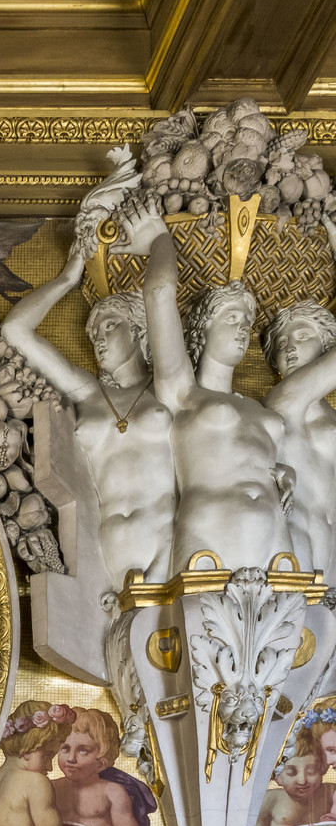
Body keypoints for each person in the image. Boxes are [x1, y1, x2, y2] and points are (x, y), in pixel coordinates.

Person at [123, 196, 297, 574]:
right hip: (209, 530)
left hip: (276, 535)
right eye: (231, 318)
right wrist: (159, 239)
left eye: (247, 322)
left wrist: (286, 471)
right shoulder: (183, 392)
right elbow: (159, 293)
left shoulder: (262, 406)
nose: (242, 329)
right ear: (202, 328)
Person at [0, 254, 175, 590]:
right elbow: (14, 331)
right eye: (94, 334)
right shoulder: (89, 394)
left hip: (165, 548)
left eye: (110, 326)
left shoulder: (169, 390)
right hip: (107, 552)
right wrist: (67, 279)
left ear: (139, 330)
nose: (100, 340)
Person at [264, 301, 336, 584]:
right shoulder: (281, 401)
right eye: (282, 343)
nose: (290, 348)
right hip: (295, 534)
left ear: (326, 345)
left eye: (303, 336)